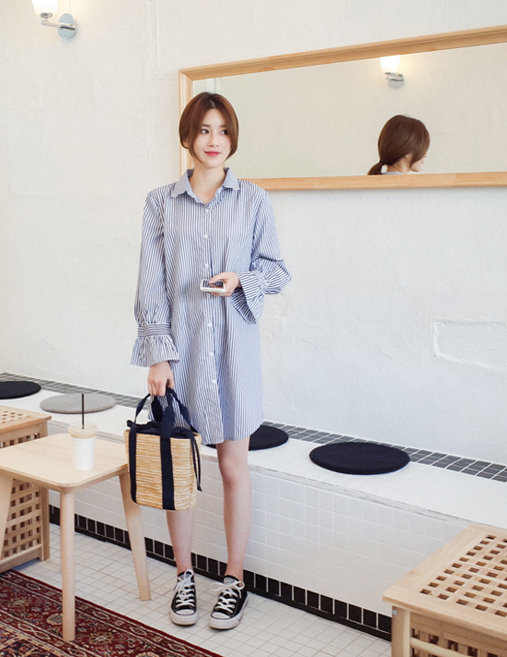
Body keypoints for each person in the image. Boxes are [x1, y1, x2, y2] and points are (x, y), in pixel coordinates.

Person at [131, 92, 290, 631]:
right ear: (187, 136)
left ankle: (234, 580)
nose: (214, 140)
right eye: (203, 130)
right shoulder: (160, 202)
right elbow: (150, 282)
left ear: (232, 138)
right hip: (180, 355)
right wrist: (159, 355)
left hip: (233, 353)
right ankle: (184, 576)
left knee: (232, 468)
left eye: (222, 130)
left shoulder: (253, 199)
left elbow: (277, 270)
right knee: (179, 468)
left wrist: (241, 279)